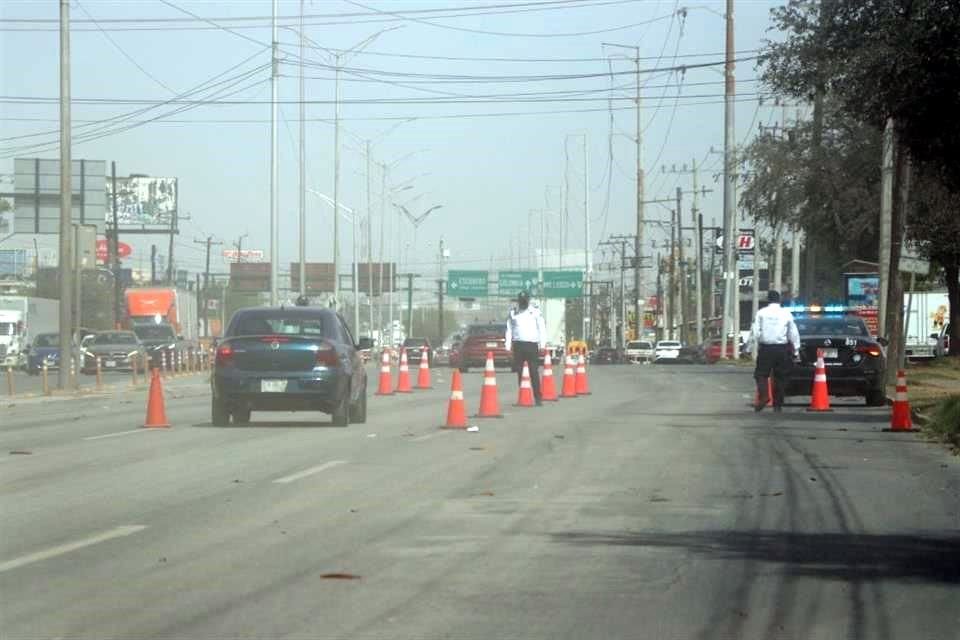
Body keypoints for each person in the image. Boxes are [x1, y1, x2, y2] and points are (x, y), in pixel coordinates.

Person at [751, 289, 800, 412]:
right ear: (779, 300)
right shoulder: (786, 313)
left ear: (768, 300)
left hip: (766, 348)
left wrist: (748, 347)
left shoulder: (761, 313)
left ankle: (764, 396)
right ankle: (777, 405)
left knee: (761, 374)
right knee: (780, 376)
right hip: (782, 349)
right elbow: (793, 333)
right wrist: (796, 350)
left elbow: (755, 332)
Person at [505, 290, 546, 406]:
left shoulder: (536, 312)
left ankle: (538, 398)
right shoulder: (513, 313)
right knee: (520, 372)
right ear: (518, 301)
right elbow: (509, 330)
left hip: (532, 345)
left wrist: (542, 345)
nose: (523, 303)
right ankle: (523, 397)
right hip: (518, 345)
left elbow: (542, 329)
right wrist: (507, 347)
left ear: (528, 300)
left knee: (533, 372)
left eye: (524, 301)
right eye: (521, 301)